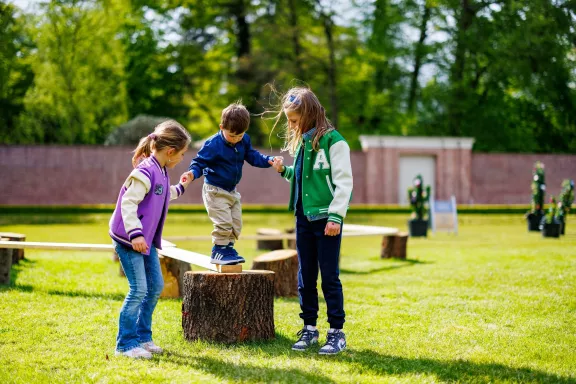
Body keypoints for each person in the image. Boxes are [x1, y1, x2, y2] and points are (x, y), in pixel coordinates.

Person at [269, 87, 353, 355]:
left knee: (329, 277)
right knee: (305, 277)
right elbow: (304, 176)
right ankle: (309, 328)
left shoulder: (334, 142)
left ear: (308, 114)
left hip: (327, 220)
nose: (291, 125)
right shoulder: (304, 143)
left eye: (294, 120)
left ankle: (336, 333)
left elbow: (344, 183)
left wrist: (336, 216)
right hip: (303, 218)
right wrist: (284, 171)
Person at [109, 120, 193, 359]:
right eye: (182, 154)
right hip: (129, 239)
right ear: (170, 152)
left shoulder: (162, 171)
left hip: (145, 241)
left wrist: (183, 186)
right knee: (138, 289)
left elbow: (164, 194)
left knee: (155, 286)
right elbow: (128, 204)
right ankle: (125, 344)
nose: (181, 159)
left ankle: (143, 338)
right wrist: (135, 234)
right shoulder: (145, 171)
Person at [187, 102, 280, 265]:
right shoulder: (213, 144)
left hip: (231, 190)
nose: (237, 139)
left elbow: (252, 156)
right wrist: (192, 173)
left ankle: (228, 249)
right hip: (214, 190)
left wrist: (269, 160)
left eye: (240, 136)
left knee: (236, 224)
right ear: (222, 127)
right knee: (224, 223)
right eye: (232, 135)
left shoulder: (244, 141)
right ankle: (218, 251)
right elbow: (199, 162)